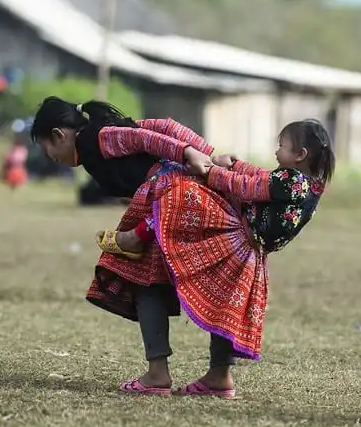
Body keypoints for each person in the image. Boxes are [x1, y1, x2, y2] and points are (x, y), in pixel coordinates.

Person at [96, 120, 334, 398]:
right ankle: (219, 377)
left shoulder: (289, 181)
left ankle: (137, 235)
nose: (276, 151)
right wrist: (234, 164)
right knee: (226, 306)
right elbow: (261, 178)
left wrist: (211, 171)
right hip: (252, 256)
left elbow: (247, 187)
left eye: (281, 146)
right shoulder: (309, 186)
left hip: (236, 238)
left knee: (178, 194)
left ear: (301, 154)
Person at [30, 97, 222, 396]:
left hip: (172, 195)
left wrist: (195, 154)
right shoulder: (102, 137)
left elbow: (147, 136)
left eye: (47, 148)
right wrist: (207, 154)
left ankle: (159, 373)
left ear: (59, 134)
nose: (50, 156)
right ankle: (217, 376)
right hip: (173, 197)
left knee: (141, 277)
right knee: (215, 278)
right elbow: (161, 128)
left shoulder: (99, 137)